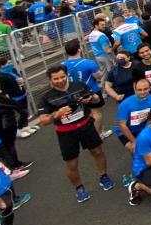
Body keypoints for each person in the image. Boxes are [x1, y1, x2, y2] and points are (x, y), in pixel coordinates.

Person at [38, 65, 115, 203]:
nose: (60, 80)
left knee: (98, 152)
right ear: (50, 80)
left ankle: (104, 176)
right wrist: (57, 114)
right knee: (72, 163)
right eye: (55, 79)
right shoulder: (46, 97)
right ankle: (79, 188)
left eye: (62, 77)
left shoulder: (79, 85)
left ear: (67, 75)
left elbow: (97, 99)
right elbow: (43, 121)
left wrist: (90, 98)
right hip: (66, 133)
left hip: (86, 126)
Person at [63, 39, 107, 137]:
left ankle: (99, 131)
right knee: (96, 112)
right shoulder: (88, 63)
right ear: (79, 50)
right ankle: (97, 134)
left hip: (73, 93)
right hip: (91, 90)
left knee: (85, 113)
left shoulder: (62, 65)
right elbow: (98, 76)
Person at [114, 79, 151, 154]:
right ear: (134, 89)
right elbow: (122, 125)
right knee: (136, 151)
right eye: (139, 90)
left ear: (150, 88)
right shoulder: (125, 104)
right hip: (124, 131)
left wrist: (146, 132)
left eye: (145, 89)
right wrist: (134, 141)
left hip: (141, 128)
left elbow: (150, 118)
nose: (142, 92)